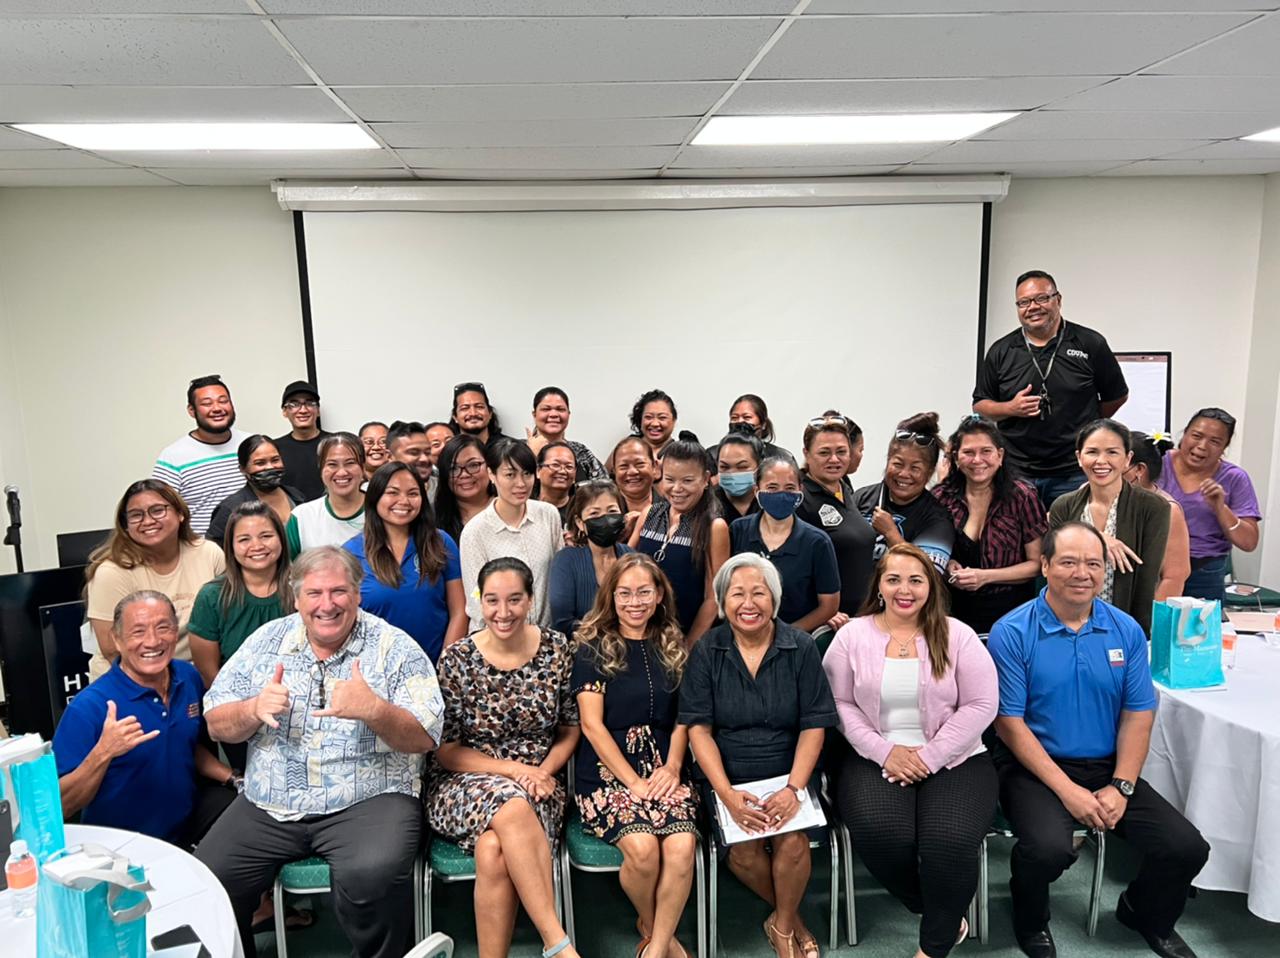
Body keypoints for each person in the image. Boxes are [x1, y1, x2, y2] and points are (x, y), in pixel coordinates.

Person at [197, 546, 444, 958]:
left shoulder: (394, 647)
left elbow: (426, 736)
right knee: (210, 877)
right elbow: (216, 721)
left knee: (372, 875)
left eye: (338, 591)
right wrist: (252, 709)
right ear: (296, 599)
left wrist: (375, 710)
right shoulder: (265, 642)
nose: (326, 604)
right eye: (314, 593)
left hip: (368, 797)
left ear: (358, 593)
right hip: (270, 801)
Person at [988, 523, 1209, 958]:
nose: (1081, 573)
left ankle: (1143, 912)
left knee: (1186, 847)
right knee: (1048, 849)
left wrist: (1122, 785)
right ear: (1046, 566)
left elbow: (1138, 713)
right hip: (1033, 765)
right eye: (1068, 562)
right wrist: (1069, 792)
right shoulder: (1012, 632)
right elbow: (1009, 723)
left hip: (1106, 766)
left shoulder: (1125, 630)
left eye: (1093, 563)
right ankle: (1030, 917)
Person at [822, 544, 998, 958]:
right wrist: (885, 752)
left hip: (956, 757)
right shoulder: (852, 636)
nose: (905, 589)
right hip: (873, 756)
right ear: (879, 586)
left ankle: (934, 945)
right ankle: (944, 910)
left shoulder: (958, 635)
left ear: (931, 586)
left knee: (949, 842)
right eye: (894, 579)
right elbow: (836, 704)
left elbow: (982, 704)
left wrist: (928, 756)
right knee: (884, 835)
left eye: (916, 580)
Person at [680, 554, 837, 958]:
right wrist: (728, 795)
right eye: (737, 594)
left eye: (759, 593)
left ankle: (782, 928)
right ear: (722, 601)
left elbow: (813, 726)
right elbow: (699, 730)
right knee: (745, 852)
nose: (748, 604)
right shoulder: (707, 651)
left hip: (789, 769)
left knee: (793, 843)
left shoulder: (800, 647)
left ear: (775, 600)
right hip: (728, 774)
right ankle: (793, 918)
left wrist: (794, 788)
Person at [426, 557, 581, 958]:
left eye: (514, 600)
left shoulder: (557, 649)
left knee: (493, 850)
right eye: (492, 600)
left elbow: (570, 729)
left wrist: (541, 772)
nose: (503, 612)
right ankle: (558, 943)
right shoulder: (457, 659)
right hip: (465, 780)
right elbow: (446, 752)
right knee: (510, 807)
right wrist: (515, 771)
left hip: (540, 784)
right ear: (479, 601)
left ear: (530, 600)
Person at [573, 554, 698, 958]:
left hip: (665, 764)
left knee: (680, 848)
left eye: (644, 591)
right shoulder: (592, 646)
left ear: (659, 595)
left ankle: (656, 946)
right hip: (609, 770)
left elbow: (685, 717)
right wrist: (633, 782)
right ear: (611, 597)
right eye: (624, 593)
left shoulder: (673, 643)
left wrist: (674, 767)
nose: (635, 602)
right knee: (643, 851)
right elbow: (591, 726)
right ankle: (654, 925)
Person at [54, 591, 237, 846]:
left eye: (163, 628)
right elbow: (62, 805)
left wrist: (234, 778)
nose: (152, 641)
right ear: (116, 640)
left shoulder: (188, 677)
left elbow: (184, 743)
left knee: (246, 815)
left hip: (185, 826)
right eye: (138, 632)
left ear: (176, 632)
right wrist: (104, 752)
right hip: (120, 845)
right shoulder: (90, 707)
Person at [973, 270, 1129, 509]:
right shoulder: (1001, 350)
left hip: (1073, 469)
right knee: (1020, 542)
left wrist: (1086, 425)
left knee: (1072, 541)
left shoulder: (1089, 343)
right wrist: (1010, 408)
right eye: (1024, 302)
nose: (1032, 307)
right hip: (1017, 470)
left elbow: (1116, 396)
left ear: (1058, 299)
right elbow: (981, 405)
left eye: (1041, 299)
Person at [189, 500, 293, 773]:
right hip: (239, 716)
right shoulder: (213, 596)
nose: (256, 546)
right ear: (231, 548)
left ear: (281, 539)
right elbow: (211, 674)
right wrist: (246, 712)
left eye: (266, 536)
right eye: (244, 539)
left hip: (296, 712)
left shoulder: (302, 587)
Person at [85, 479, 225, 681]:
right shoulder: (112, 571)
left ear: (180, 514)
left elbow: (227, 620)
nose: (148, 521)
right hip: (131, 679)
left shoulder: (208, 553)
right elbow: (111, 649)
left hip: (196, 674)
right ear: (125, 526)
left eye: (157, 510)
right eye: (136, 515)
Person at [1047, 419, 1169, 636]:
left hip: (1121, 627)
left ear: (1127, 459)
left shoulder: (1153, 507)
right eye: (1092, 452)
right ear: (1079, 457)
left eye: (1112, 452)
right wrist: (1099, 537)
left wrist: (1138, 635)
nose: (1101, 461)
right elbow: (1054, 569)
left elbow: (1146, 580)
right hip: (1066, 623)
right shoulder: (1063, 506)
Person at [932, 415, 1048, 634]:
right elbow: (929, 552)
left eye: (986, 451)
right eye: (968, 452)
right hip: (950, 611)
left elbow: (1037, 564)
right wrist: (947, 565)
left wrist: (985, 577)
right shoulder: (940, 497)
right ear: (956, 458)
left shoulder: (1023, 496)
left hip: (1012, 612)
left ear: (1000, 455)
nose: (977, 460)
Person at [346, 462, 466, 662]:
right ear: (375, 497)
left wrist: (446, 665)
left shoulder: (440, 542)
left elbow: (460, 611)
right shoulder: (351, 553)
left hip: (437, 669)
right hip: (377, 672)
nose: (404, 501)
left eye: (412, 493)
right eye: (392, 493)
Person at [1155, 407, 1261, 603]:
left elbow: (1249, 542)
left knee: (1199, 632)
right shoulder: (1157, 464)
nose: (1202, 446)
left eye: (1215, 441)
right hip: (1155, 567)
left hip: (1205, 572)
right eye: (1196, 435)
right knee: (1151, 629)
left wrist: (1221, 508)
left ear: (1224, 448)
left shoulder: (1234, 478)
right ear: (1184, 434)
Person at [629, 437, 729, 642]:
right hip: (640, 630)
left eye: (687, 480)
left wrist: (689, 646)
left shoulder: (714, 527)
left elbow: (714, 598)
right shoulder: (649, 513)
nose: (677, 488)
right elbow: (624, 568)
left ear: (705, 479)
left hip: (685, 635)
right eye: (670, 479)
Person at [459, 438, 563, 631]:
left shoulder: (548, 515)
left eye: (527, 474)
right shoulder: (475, 532)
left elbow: (558, 579)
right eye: (510, 475)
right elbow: (477, 601)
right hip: (496, 638)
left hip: (545, 636)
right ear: (491, 474)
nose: (521, 483)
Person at [730, 456, 840, 633]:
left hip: (794, 642)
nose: (781, 494)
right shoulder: (737, 531)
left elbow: (829, 605)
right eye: (772, 488)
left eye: (789, 488)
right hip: (741, 634)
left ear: (800, 490)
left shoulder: (817, 542)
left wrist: (786, 635)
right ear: (756, 490)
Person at [854, 412, 955, 577]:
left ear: (929, 472)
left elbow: (929, 576)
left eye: (915, 468)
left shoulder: (937, 518)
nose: (904, 474)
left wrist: (891, 534)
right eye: (897, 464)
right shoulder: (862, 498)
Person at [797, 413, 875, 626]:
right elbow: (794, 566)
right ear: (807, 453)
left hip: (861, 617)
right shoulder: (800, 497)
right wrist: (824, 611)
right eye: (824, 452)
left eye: (841, 452)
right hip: (828, 623)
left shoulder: (845, 488)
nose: (834, 459)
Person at [153, 374, 248, 534]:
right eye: (206, 403)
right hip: (202, 552)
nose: (217, 408)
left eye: (223, 401)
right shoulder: (173, 457)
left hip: (252, 549)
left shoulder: (250, 445)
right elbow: (160, 512)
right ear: (192, 410)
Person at [549, 479, 634, 639]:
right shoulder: (566, 561)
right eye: (594, 514)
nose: (606, 519)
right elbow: (563, 623)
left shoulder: (632, 557)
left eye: (612, 511)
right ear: (580, 523)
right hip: (582, 652)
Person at [206, 434, 306, 547]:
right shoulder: (230, 508)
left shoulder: (296, 496)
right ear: (243, 469)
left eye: (275, 460)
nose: (270, 467)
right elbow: (215, 551)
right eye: (260, 463)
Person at [1127, 433, 1191, 602]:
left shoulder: (1168, 510)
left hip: (1141, 613)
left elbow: (1174, 577)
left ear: (1138, 470)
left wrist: (1149, 623)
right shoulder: (1090, 494)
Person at [284, 432, 366, 557]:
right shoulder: (301, 517)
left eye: (350, 463)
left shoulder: (381, 510)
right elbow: (289, 570)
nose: (342, 472)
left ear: (363, 467)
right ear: (321, 468)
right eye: (332, 465)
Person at [525, 386, 606, 482]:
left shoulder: (581, 452)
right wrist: (532, 456)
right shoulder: (518, 450)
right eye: (546, 409)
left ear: (568, 414)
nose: (553, 414)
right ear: (534, 415)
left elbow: (605, 489)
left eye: (560, 409)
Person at [434, 433, 496, 543]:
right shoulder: (433, 518)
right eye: (454, 468)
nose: (464, 474)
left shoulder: (510, 507)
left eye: (473, 465)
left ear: (489, 466)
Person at [274, 380, 329, 501]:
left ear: (318, 410)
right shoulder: (274, 449)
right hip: (291, 517)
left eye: (310, 403)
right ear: (284, 411)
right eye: (294, 404)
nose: (303, 410)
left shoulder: (334, 444)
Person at [710, 394, 792, 464]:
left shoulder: (780, 457)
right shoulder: (713, 455)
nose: (740, 421)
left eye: (747, 417)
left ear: (763, 424)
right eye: (734, 418)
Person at [714, 431, 763, 525]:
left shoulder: (768, 502)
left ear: (759, 465)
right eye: (724, 467)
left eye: (742, 467)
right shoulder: (707, 504)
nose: (732, 473)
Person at [387, 420, 439, 501]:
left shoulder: (446, 490)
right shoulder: (375, 491)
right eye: (414, 453)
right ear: (389, 457)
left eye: (428, 452)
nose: (424, 459)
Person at [612, 435, 662, 516]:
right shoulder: (605, 513)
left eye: (640, 464)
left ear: (654, 467)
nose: (632, 472)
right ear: (614, 471)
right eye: (623, 466)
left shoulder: (671, 509)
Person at [452, 381, 511, 447]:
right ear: (455, 417)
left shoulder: (509, 447)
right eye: (465, 408)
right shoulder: (448, 450)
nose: (473, 413)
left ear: (490, 413)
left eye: (479, 407)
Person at [630, 389, 679, 463]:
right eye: (648, 417)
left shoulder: (682, 453)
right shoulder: (627, 447)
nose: (655, 423)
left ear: (674, 420)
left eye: (662, 417)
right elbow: (606, 473)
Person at [536, 440, 578, 521]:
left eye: (569, 467)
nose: (562, 471)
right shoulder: (525, 506)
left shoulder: (581, 510)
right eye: (555, 465)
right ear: (538, 470)